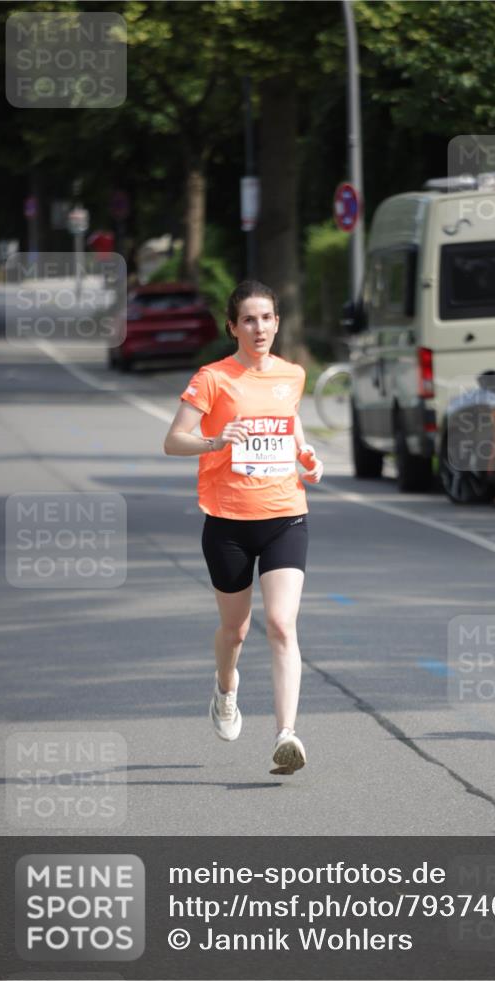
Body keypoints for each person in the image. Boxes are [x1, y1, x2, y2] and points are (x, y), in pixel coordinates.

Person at [163, 280, 323, 774]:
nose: (259, 328)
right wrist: (215, 441)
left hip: (284, 516)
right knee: (235, 631)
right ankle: (226, 688)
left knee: (281, 624)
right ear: (232, 327)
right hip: (228, 522)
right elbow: (173, 440)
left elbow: (289, 422)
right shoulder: (213, 378)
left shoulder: (292, 374)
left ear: (277, 322)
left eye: (267, 318)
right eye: (249, 320)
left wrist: (306, 456)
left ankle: (285, 735)